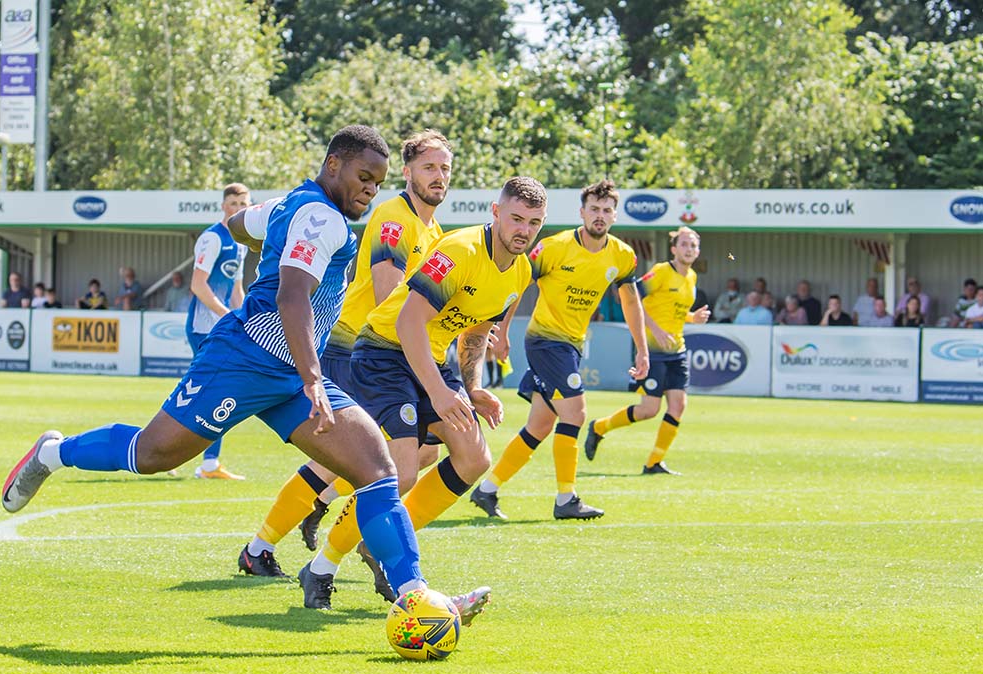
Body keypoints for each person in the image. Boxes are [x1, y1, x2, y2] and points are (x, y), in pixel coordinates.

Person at [1, 125, 489, 623]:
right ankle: (52, 454)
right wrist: (314, 377)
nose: (369, 189)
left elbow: (239, 226)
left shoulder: (290, 205)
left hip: (293, 374)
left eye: (377, 182)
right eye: (363, 176)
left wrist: (268, 242)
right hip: (246, 362)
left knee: (377, 470)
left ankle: (416, 596)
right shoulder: (321, 218)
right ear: (333, 165)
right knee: (151, 455)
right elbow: (291, 297)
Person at [295, 176, 545, 610]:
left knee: (473, 456)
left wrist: (473, 388)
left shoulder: (520, 271)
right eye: (517, 218)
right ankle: (321, 567)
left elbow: (477, 331)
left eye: (534, 222)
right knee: (400, 473)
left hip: (430, 359)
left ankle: (379, 542)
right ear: (496, 212)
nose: (523, 229)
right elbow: (409, 322)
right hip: (382, 352)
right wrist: (441, 393)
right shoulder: (460, 250)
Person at [241, 131, 453, 589]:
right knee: (376, 459)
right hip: (360, 348)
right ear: (408, 172)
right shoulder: (394, 217)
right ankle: (348, 548)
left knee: (404, 452)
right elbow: (388, 294)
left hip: (386, 350)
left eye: (445, 168)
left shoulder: (433, 231)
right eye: (429, 167)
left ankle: (272, 541)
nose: (439, 176)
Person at [469, 179, 649, 522]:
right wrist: (502, 331)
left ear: (614, 215)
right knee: (576, 414)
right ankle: (567, 498)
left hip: (572, 345)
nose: (600, 216)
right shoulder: (554, 247)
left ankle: (487, 490)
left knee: (540, 425)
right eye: (593, 209)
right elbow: (518, 283)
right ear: (581, 212)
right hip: (545, 341)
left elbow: (630, 301)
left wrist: (642, 350)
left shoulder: (622, 256)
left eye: (606, 210)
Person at [585, 226, 711, 476]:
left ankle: (654, 463)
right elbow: (632, 298)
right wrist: (656, 330)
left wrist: (691, 318)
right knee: (649, 410)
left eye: (693, 245)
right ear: (674, 249)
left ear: (697, 252)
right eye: (684, 244)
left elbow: (671, 310)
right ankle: (599, 427)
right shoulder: (662, 271)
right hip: (653, 350)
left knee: (678, 406)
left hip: (677, 350)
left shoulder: (692, 277)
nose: (689, 249)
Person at [185, 183, 253, 481]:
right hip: (203, 327)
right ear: (225, 205)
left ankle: (177, 452)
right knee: (213, 389)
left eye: (244, 203)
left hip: (223, 326)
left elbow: (236, 288)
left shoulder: (240, 243)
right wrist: (227, 317)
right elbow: (198, 285)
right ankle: (206, 463)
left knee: (201, 391)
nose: (239, 207)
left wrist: (244, 318)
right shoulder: (212, 238)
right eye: (234, 203)